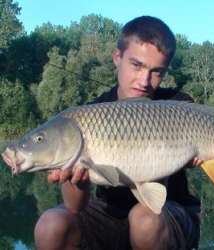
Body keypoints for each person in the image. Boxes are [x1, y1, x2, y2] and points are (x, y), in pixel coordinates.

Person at [34, 16, 201, 250]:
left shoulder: (176, 105)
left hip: (168, 211)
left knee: (144, 221)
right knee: (51, 225)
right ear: (117, 57)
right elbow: (75, 207)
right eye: (136, 65)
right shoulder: (89, 117)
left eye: (156, 72)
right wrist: (77, 181)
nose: (144, 80)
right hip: (109, 212)